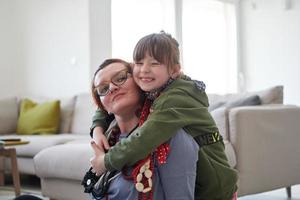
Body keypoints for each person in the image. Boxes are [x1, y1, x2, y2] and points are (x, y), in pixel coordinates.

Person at [90, 32, 238, 200]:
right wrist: (97, 127)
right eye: (139, 63)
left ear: (174, 71)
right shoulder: (152, 87)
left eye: (121, 78)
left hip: (216, 189)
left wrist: (107, 161)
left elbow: (144, 138)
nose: (144, 69)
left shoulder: (174, 99)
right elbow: (106, 100)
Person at [88, 58, 199, 199]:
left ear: (140, 82)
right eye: (103, 88)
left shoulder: (170, 137)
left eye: (120, 78)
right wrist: (97, 129)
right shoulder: (105, 140)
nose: (112, 88)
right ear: (103, 106)